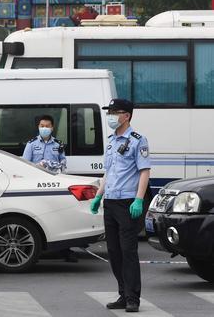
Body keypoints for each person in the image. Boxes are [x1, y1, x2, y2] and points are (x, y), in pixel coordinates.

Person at [90, 99, 151, 313]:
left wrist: (139, 199)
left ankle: (133, 298)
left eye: (116, 112)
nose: (111, 116)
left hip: (128, 202)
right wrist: (99, 196)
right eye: (110, 112)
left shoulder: (137, 140)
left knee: (128, 251)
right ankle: (123, 294)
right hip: (111, 202)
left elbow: (144, 171)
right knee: (114, 251)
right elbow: (109, 172)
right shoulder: (111, 141)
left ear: (127, 116)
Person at [21, 114, 75, 262]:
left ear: (52, 127)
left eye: (47, 126)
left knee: (59, 214)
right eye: (42, 126)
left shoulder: (58, 144)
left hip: (54, 185)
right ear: (38, 127)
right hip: (35, 186)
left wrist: (52, 165)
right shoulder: (31, 144)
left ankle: (66, 249)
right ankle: (33, 252)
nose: (44, 128)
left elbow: (63, 164)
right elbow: (24, 165)